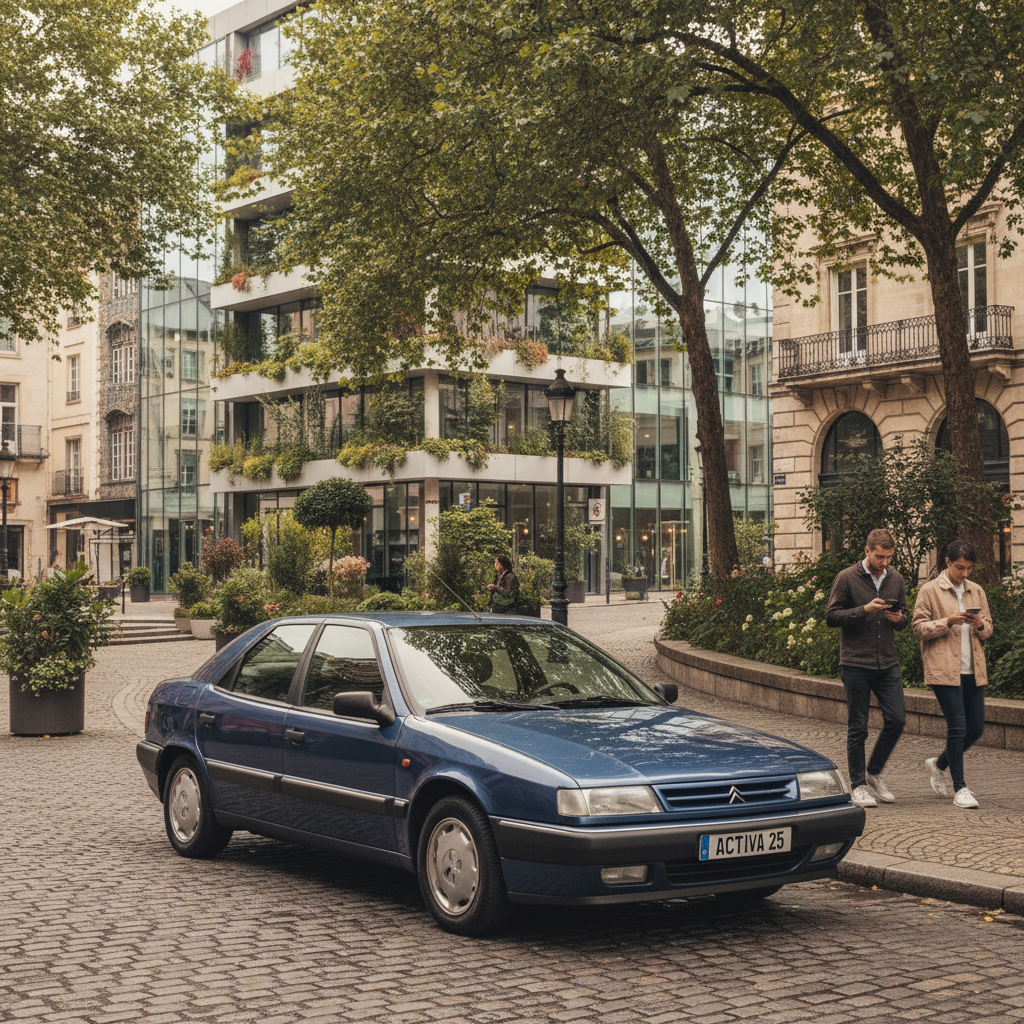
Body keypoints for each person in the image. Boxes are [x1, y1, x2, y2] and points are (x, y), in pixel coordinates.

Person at [825, 528, 908, 808]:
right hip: (855, 663)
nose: (885, 562)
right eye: (880, 557)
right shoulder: (847, 578)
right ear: (867, 551)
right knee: (858, 726)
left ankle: (873, 773)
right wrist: (864, 610)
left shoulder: (896, 579)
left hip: (887, 662)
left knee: (897, 720)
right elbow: (831, 616)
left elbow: (904, 618)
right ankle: (858, 785)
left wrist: (898, 617)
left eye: (889, 557)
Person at [911, 540, 993, 809]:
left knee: (976, 729)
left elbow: (989, 630)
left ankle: (939, 763)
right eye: (960, 567)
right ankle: (961, 789)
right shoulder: (930, 590)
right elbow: (919, 628)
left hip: (973, 670)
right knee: (957, 727)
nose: (965, 573)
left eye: (969, 568)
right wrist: (947, 622)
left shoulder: (976, 590)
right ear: (947, 562)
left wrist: (979, 623)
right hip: (943, 669)